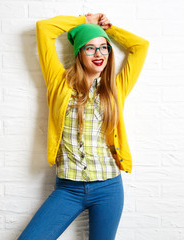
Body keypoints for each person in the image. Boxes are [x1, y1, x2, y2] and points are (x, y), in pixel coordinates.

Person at [17, 12, 149, 240]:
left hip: (109, 188)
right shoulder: (58, 82)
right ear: (79, 53)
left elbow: (140, 46)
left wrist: (109, 29)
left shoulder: (116, 88)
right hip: (68, 189)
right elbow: (44, 29)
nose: (99, 54)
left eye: (103, 47)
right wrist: (83, 22)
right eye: (89, 48)